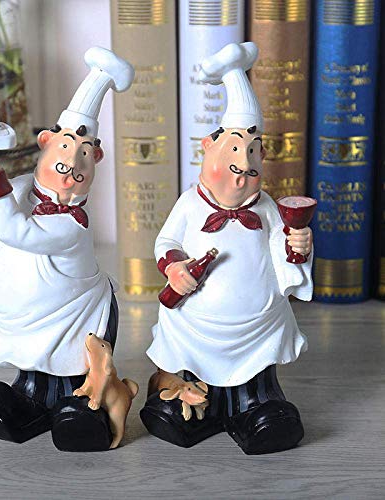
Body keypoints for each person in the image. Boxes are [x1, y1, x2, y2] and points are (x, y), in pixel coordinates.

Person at [0, 47, 134, 452]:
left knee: (70, 375)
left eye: (85, 157)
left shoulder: (72, 224)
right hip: (28, 321)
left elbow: (14, 230)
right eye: (64, 149)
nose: (72, 164)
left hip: (72, 319)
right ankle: (26, 404)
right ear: (45, 143)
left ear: (96, 162)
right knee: (34, 373)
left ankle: (81, 413)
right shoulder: (23, 187)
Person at [140, 42, 314, 455]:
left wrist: (298, 245)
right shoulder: (189, 203)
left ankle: (255, 409)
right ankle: (193, 405)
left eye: (252, 155)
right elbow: (166, 242)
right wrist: (174, 267)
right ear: (208, 147)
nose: (244, 167)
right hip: (196, 323)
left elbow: (285, 253)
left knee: (258, 384)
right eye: (234, 152)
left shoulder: (268, 208)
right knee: (191, 373)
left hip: (257, 326)